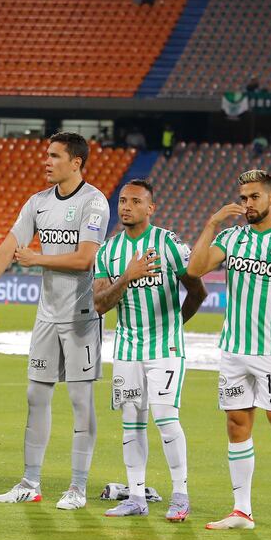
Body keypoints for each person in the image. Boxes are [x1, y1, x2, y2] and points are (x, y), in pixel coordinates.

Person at [0, 132, 110, 509]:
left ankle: (77, 487)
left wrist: (37, 258)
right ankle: (30, 482)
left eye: (55, 156)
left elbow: (85, 259)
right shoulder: (38, 202)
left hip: (81, 316)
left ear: (75, 162)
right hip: (46, 315)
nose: (46, 161)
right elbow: (9, 247)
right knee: (35, 396)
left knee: (79, 400)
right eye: (47, 155)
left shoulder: (94, 202)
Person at [187, 170, 271, 538]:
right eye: (243, 198)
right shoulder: (231, 238)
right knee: (236, 426)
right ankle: (242, 509)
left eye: (255, 197)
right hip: (233, 352)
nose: (247, 204)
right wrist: (212, 223)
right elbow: (194, 269)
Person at [91, 180, 207, 520]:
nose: (126, 206)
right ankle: (137, 497)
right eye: (123, 200)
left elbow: (197, 291)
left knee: (166, 420)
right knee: (132, 423)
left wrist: (174, 327)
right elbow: (98, 304)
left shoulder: (169, 244)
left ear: (150, 208)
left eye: (135, 201)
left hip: (165, 349)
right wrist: (126, 277)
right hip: (127, 350)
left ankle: (181, 495)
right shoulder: (108, 252)